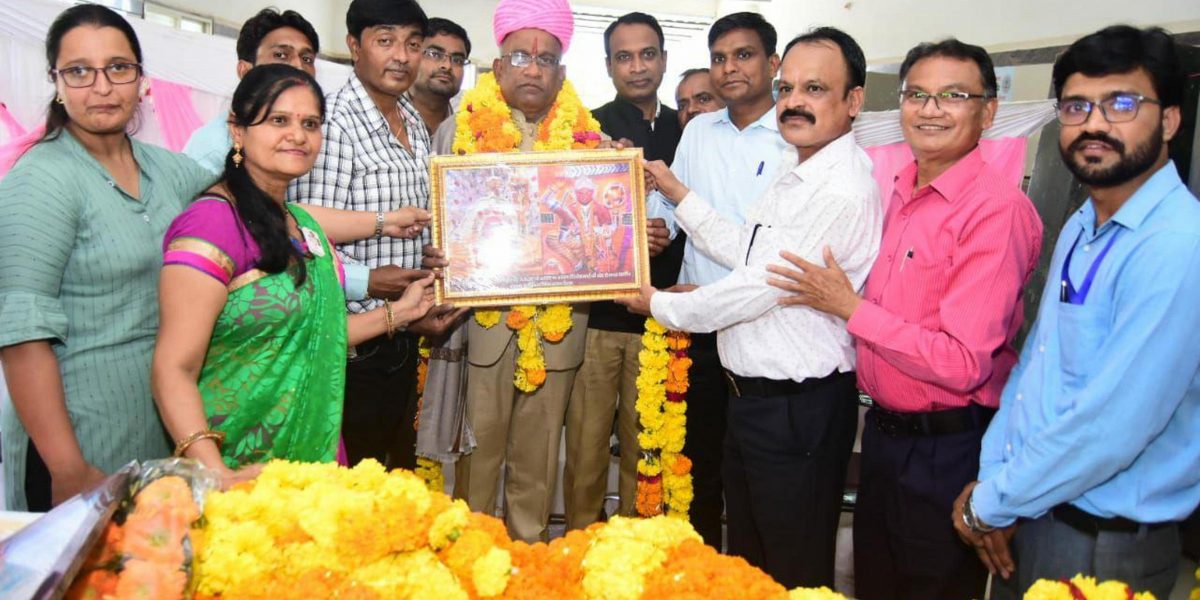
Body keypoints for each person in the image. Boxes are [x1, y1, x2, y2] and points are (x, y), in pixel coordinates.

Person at [768, 38, 1043, 599]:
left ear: (988, 111)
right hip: (885, 438)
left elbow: (963, 363)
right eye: (917, 94)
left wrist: (851, 309)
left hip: (948, 449)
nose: (930, 109)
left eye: (953, 96)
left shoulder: (996, 211)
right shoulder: (896, 190)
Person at [625, 28, 880, 587]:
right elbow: (748, 250)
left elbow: (757, 286)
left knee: (791, 573)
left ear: (854, 100)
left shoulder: (838, 188)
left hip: (796, 410)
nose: (794, 102)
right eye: (788, 88)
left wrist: (659, 304)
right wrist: (676, 191)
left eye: (815, 89)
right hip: (756, 404)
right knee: (751, 566)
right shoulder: (800, 167)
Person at [951, 26, 1200, 600]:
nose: (1094, 124)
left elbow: (1111, 426)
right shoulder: (1084, 224)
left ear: (1168, 121)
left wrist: (990, 503)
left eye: (1122, 105)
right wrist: (997, 485)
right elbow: (1035, 367)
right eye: (1076, 106)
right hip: (1031, 508)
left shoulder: (1177, 245)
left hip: (1102, 543)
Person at [152, 64, 434, 489]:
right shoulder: (211, 224)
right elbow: (172, 368)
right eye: (278, 120)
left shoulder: (301, 225)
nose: (298, 135)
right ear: (237, 130)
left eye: (310, 124)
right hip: (236, 464)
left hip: (312, 457)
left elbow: (317, 333)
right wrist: (215, 472)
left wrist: (402, 312)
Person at [0, 4, 215, 510]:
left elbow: (246, 204)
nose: (102, 87)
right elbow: (21, 337)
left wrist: (383, 224)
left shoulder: (167, 170)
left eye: (118, 68)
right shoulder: (41, 180)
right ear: (56, 82)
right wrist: (68, 467)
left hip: (159, 436)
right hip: (79, 448)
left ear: (141, 78)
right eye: (79, 71)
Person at [424, 0, 615, 543]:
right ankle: (473, 557)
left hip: (559, 328)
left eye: (546, 59)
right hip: (479, 325)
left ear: (561, 71)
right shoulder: (456, 132)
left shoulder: (591, 143)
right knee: (478, 457)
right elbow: (436, 222)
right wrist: (437, 252)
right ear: (498, 66)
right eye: (521, 56)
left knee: (539, 460)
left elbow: (602, 233)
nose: (533, 68)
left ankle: (527, 558)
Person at [289, 0, 465, 471]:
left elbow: (416, 221)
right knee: (351, 480)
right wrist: (373, 282)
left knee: (393, 476)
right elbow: (308, 238)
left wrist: (431, 261)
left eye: (413, 44)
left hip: (401, 334)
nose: (402, 56)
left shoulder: (409, 115)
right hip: (351, 347)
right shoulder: (334, 122)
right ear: (354, 46)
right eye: (385, 41)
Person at [640, 11, 789, 550]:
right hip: (696, 328)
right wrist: (651, 226)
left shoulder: (795, 134)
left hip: (762, 325)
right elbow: (672, 205)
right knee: (694, 464)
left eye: (743, 55)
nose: (729, 68)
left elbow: (774, 250)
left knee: (753, 476)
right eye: (719, 58)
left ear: (773, 63)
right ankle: (699, 569)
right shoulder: (699, 131)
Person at [182, 8, 415, 306]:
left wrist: (388, 222)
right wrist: (367, 281)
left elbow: (297, 219)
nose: (297, 67)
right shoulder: (211, 175)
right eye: (281, 55)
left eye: (310, 124)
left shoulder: (283, 198)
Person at [563, 10, 681, 531]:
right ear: (609, 65)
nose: (637, 67)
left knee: (649, 446)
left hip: (668, 315)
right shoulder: (585, 130)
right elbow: (564, 219)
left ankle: (637, 545)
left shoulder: (690, 128)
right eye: (624, 57)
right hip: (598, 320)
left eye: (647, 54)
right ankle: (583, 542)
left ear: (664, 59)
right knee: (586, 446)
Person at [183, 8, 319, 175]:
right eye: (281, 55)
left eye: (307, 59)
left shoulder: (310, 138)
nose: (299, 66)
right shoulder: (212, 151)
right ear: (245, 71)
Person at [409, 17, 471, 135]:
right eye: (434, 54)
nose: (447, 66)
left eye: (457, 60)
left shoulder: (469, 117)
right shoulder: (385, 110)